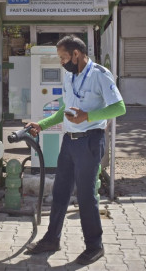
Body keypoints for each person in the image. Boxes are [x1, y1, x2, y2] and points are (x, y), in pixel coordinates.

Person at [25, 35, 126, 265]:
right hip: (69, 142)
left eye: (63, 57)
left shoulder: (100, 75)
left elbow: (119, 108)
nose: (61, 62)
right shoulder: (69, 76)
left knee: (86, 196)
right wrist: (41, 125)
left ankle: (94, 246)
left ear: (76, 54)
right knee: (60, 192)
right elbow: (64, 110)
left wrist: (87, 116)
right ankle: (52, 239)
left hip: (90, 141)